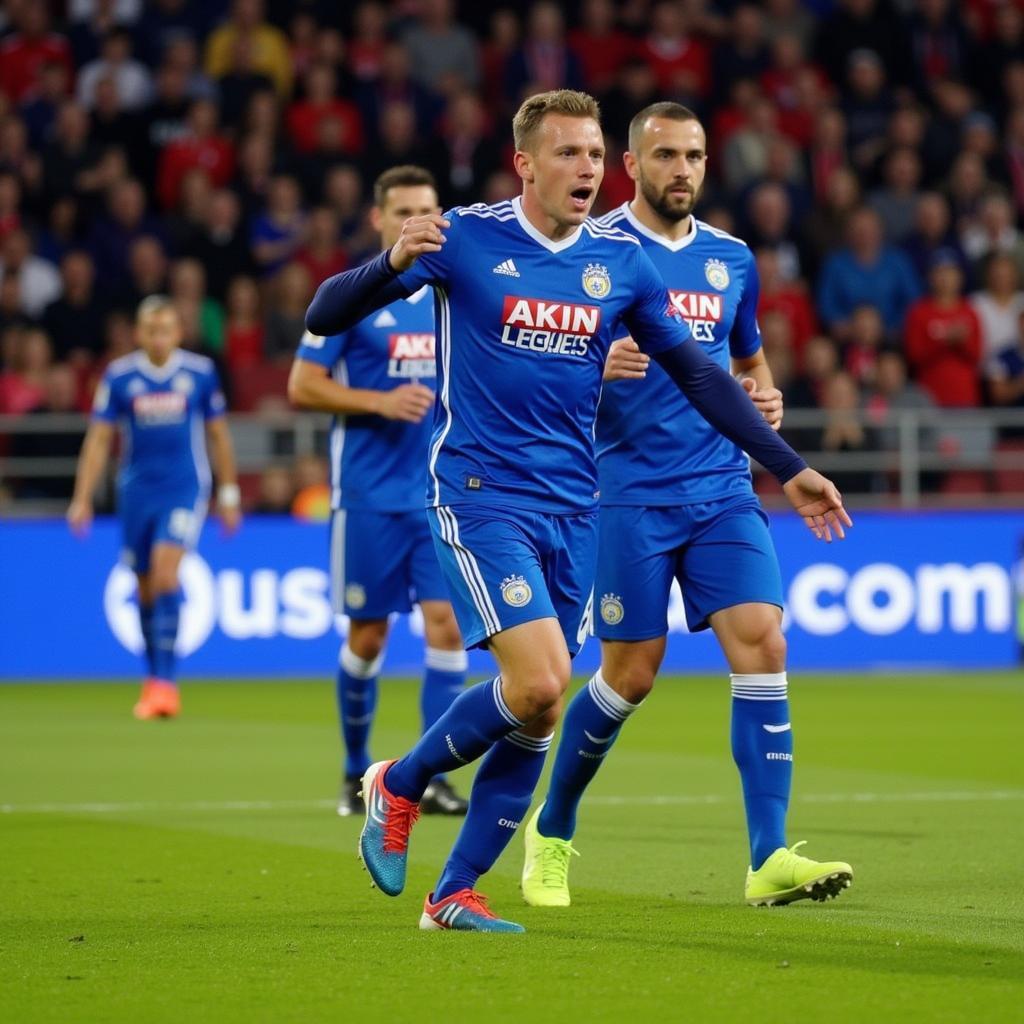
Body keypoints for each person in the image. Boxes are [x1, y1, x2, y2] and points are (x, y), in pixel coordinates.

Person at [304, 90, 850, 933]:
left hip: (575, 506)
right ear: (524, 162)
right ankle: (398, 782)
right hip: (482, 497)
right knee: (542, 680)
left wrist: (790, 467)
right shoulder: (467, 238)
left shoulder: (618, 265)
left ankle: (453, 892)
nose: (586, 169)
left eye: (594, 155)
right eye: (567, 154)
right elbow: (323, 313)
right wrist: (384, 265)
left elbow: (706, 375)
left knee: (544, 706)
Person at [521, 102, 853, 912]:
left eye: (695, 155)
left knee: (764, 641)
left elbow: (745, 356)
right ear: (631, 165)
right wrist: (595, 372)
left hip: (720, 488)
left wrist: (764, 391)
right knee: (630, 674)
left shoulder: (731, 258)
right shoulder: (587, 253)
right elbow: (531, 375)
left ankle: (769, 855)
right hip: (623, 492)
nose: (683, 169)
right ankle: (552, 830)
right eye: (665, 155)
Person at [288, 166, 469, 818]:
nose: (417, 221)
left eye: (427, 210)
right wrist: (377, 400)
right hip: (367, 496)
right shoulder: (352, 297)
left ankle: (432, 775)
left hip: (441, 497)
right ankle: (352, 771)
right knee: (368, 637)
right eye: (403, 212)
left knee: (446, 626)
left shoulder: (454, 290)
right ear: (379, 219)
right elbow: (302, 387)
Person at [66, 297, 241, 719]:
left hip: (183, 488)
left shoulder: (197, 373)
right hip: (136, 493)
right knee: (144, 586)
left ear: (177, 333)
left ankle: (166, 684)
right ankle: (153, 679)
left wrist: (230, 492)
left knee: (165, 575)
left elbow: (217, 435)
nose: (158, 337)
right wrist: (82, 497)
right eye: (150, 329)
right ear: (139, 333)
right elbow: (99, 439)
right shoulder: (121, 376)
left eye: (166, 329)